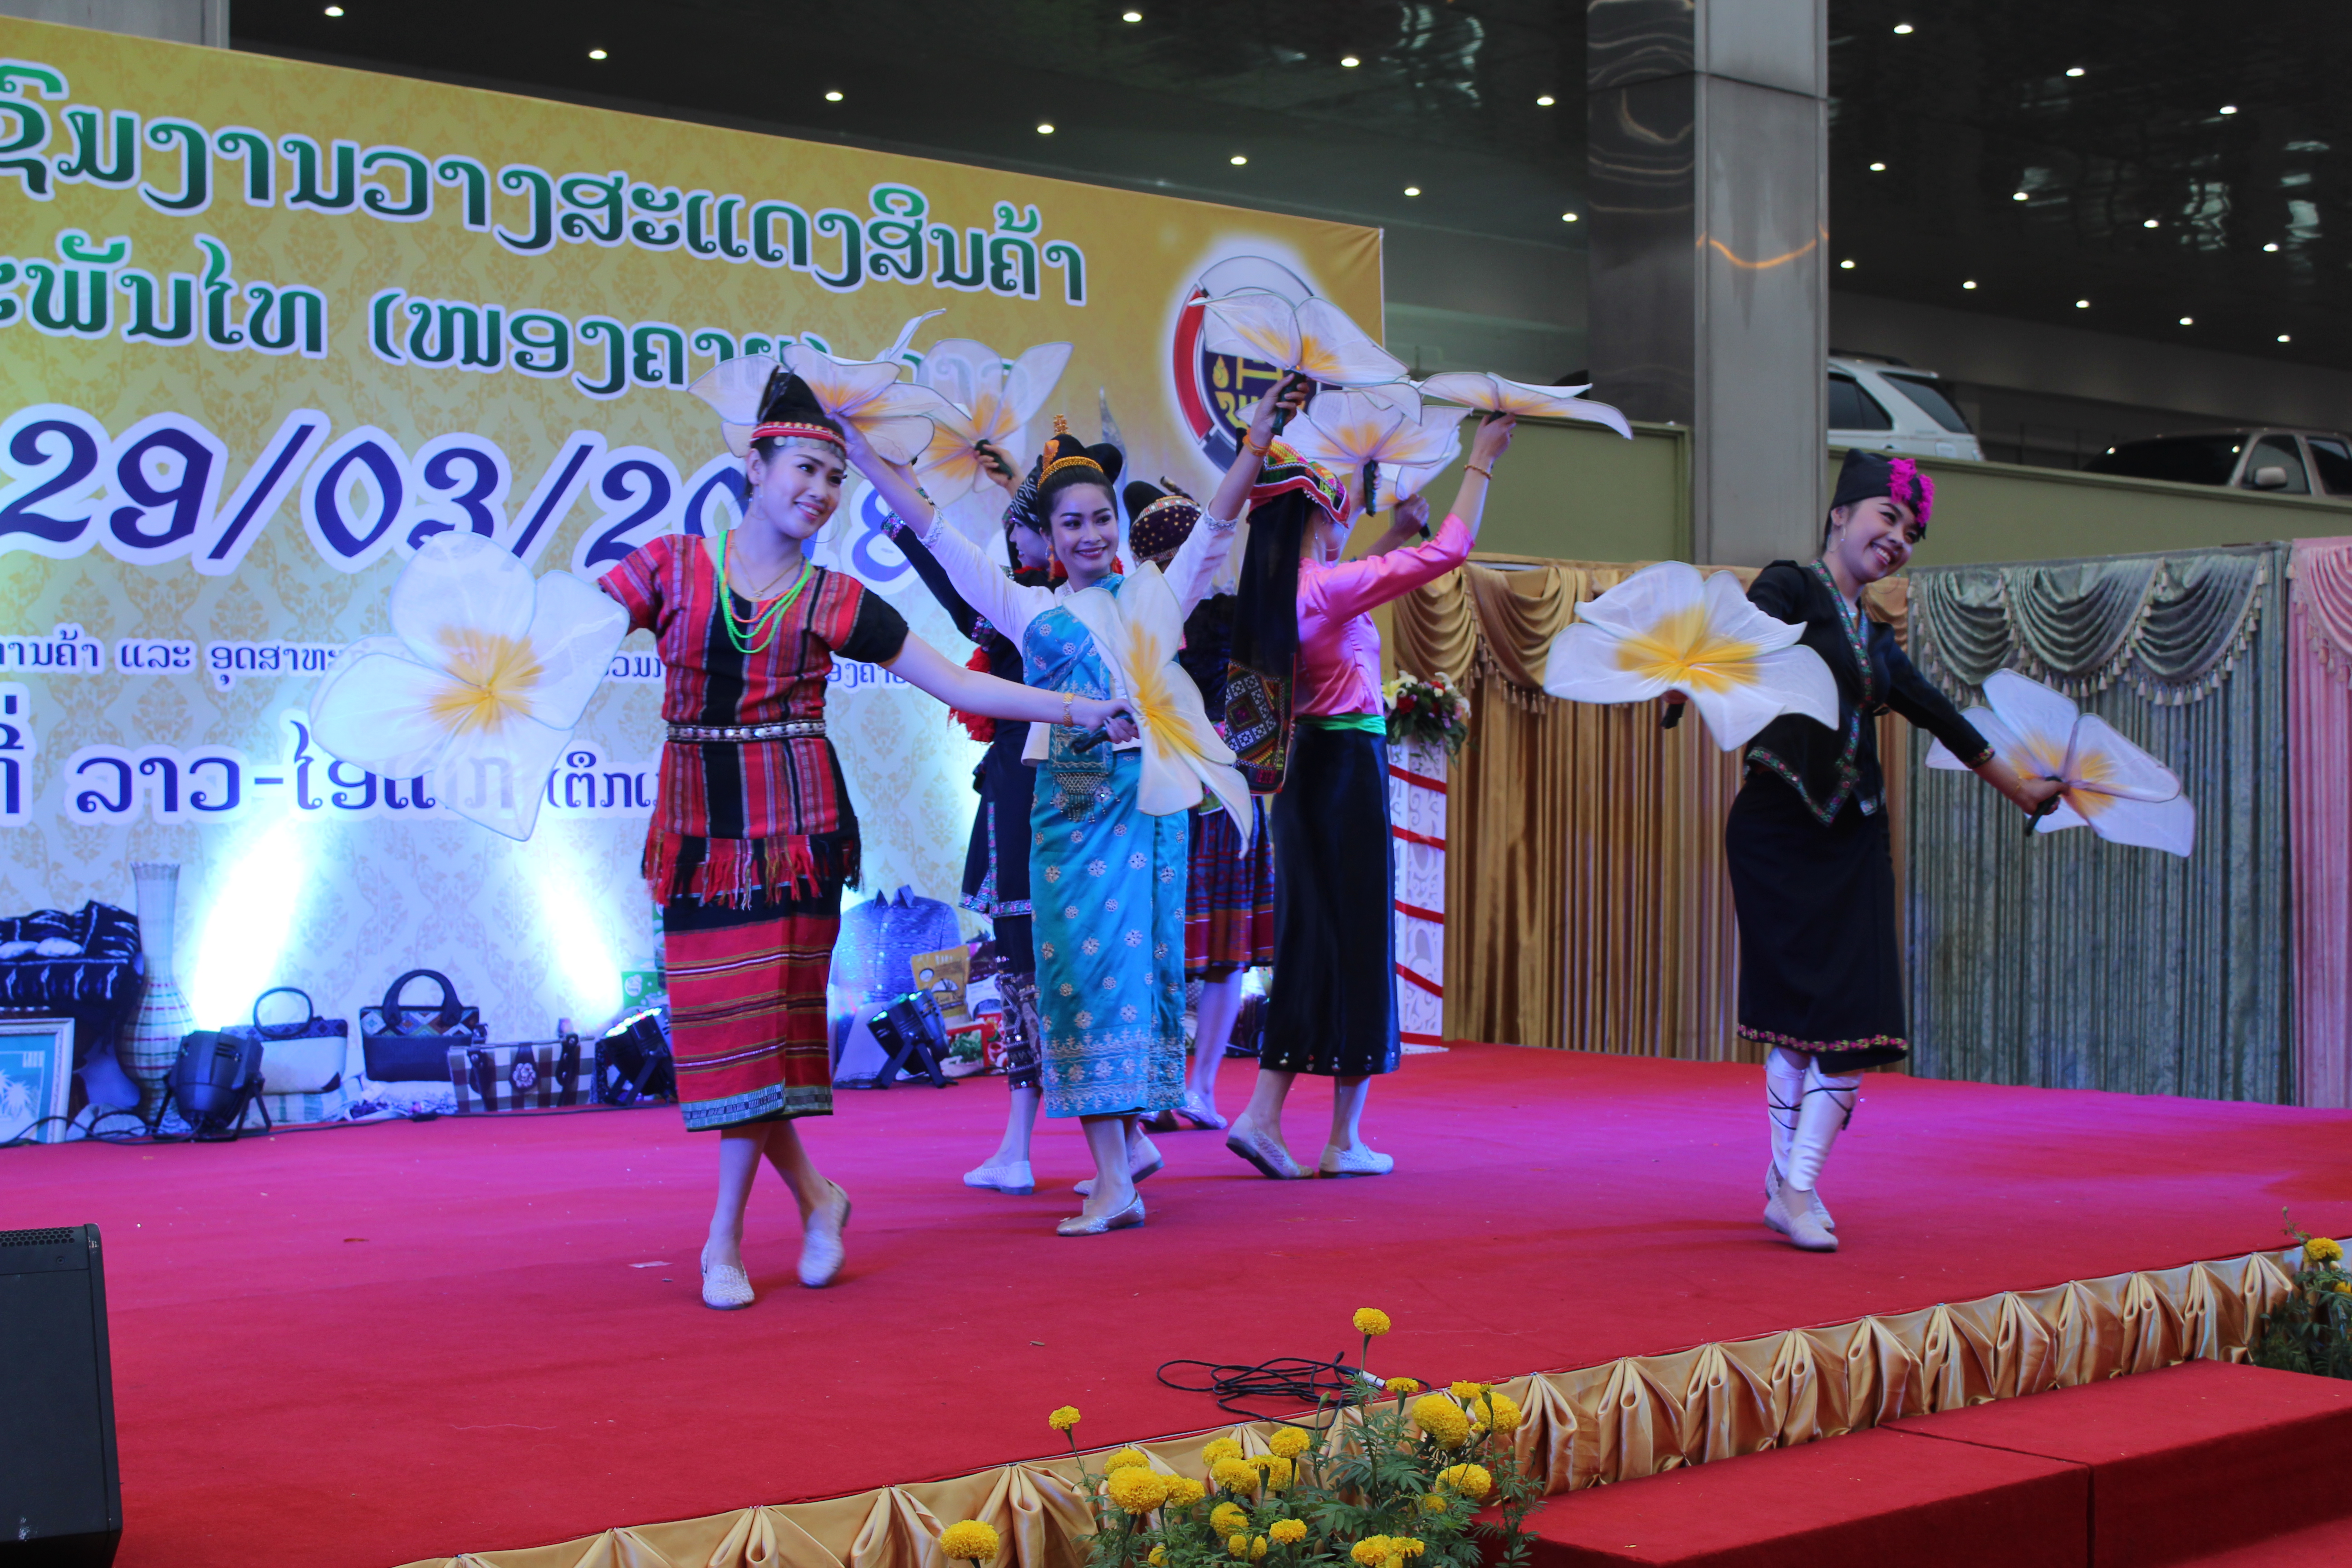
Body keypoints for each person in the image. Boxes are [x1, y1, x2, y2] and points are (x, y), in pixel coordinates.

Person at [601, 366, 1133, 1307]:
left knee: (766, 1034)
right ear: (754, 467)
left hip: (799, 831)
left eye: (831, 478)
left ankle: (721, 1240)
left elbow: (964, 687)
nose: (816, 491)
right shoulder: (671, 566)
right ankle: (817, 1197)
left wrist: (1081, 709)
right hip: (696, 831)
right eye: (801, 469)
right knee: (723, 1036)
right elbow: (570, 636)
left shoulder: (838, 598)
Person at [846, 380, 1300, 1233]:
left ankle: (1120, 1169)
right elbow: (939, 536)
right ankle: (1113, 1173)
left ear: (1116, 528)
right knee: (1079, 983)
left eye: (1101, 519)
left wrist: (1254, 445)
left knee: (1139, 979)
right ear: (1049, 540)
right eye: (1072, 524)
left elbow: (1217, 529)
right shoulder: (1029, 609)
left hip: (1146, 816)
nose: (1091, 534)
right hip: (1064, 824)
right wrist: (866, 455)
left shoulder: (1155, 599)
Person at [1734, 449, 2062, 1253]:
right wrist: (1686, 681)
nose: (1900, 539)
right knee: (1788, 1022)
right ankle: (1788, 1187)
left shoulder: (1878, 641)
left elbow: (1947, 719)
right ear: (1840, 516)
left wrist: (2026, 792)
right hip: (1778, 826)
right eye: (1889, 518)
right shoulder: (1790, 588)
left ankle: (1799, 1184)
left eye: (1912, 532)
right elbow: (1730, 644)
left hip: (1853, 838)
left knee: (1859, 1019)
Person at [1221, 416, 1519, 1181]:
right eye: (1331, 509)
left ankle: (1317, 1130)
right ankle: (1290, 1124)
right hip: (1345, 763)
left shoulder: (1289, 591)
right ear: (1313, 517)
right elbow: (1449, 553)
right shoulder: (1319, 586)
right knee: (1346, 939)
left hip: (1312, 772)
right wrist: (1481, 462)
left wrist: (1389, 530)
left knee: (1322, 937)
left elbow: (1354, 587)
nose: (1338, 517)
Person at [887, 451, 1058, 1196]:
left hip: (1031, 793)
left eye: (1019, 528)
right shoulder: (1101, 601)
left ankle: (1023, 1148)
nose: (1011, 541)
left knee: (1028, 963)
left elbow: (963, 596)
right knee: (1071, 961)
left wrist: (909, 508)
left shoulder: (1030, 606)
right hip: (1073, 791)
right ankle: (1119, 1138)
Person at [1124, 478, 1271, 1133]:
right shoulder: (1215, 616)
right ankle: (1192, 1087)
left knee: (1188, 950)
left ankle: (1180, 1088)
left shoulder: (1143, 618)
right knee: (1215, 951)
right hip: (1201, 790)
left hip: (1180, 792)